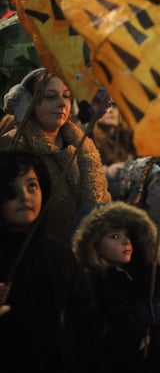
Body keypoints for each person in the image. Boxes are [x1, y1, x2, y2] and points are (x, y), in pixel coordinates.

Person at [0, 150, 98, 373]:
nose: (25, 197)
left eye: (32, 186)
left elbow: (85, 321)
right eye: (11, 190)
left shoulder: (60, 254)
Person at [1, 68, 111, 243]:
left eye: (66, 96)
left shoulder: (84, 148)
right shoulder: (12, 145)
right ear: (28, 103)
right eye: (50, 96)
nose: (61, 103)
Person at [72, 201, 160, 373]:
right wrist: (137, 319)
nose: (125, 241)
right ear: (93, 243)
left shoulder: (126, 276)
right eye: (114, 236)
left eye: (127, 235)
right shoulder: (93, 282)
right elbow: (105, 330)